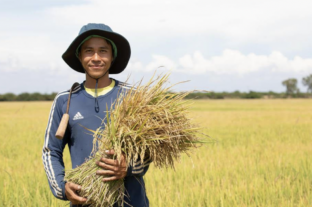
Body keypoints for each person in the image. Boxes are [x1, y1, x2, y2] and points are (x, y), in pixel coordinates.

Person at [42, 23, 151, 207]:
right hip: (85, 201)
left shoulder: (133, 97)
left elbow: (151, 149)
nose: (96, 58)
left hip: (132, 202)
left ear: (112, 56)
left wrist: (128, 167)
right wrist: (62, 187)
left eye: (103, 51)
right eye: (89, 51)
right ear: (79, 56)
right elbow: (51, 150)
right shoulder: (65, 101)